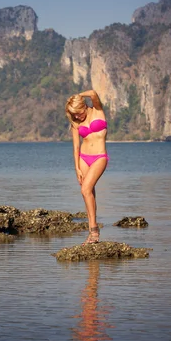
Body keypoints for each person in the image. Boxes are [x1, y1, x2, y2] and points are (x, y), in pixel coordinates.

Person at [65, 90, 109, 244]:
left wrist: (76, 96)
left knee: (85, 189)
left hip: (99, 157)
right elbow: (76, 147)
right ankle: (92, 233)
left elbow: (93, 93)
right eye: (74, 114)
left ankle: (94, 231)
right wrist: (76, 167)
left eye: (78, 112)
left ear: (84, 106)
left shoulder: (97, 110)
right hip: (83, 158)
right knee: (87, 193)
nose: (77, 116)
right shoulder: (76, 123)